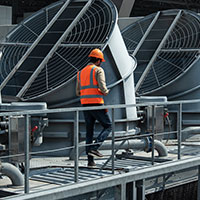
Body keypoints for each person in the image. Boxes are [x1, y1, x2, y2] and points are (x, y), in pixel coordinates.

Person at [76, 48, 112, 168]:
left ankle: (90, 161)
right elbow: (102, 87)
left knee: (89, 132)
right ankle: (95, 147)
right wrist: (106, 91)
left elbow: (78, 92)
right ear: (98, 60)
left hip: (85, 104)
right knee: (108, 125)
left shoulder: (80, 72)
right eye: (101, 61)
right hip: (96, 103)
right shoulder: (98, 70)